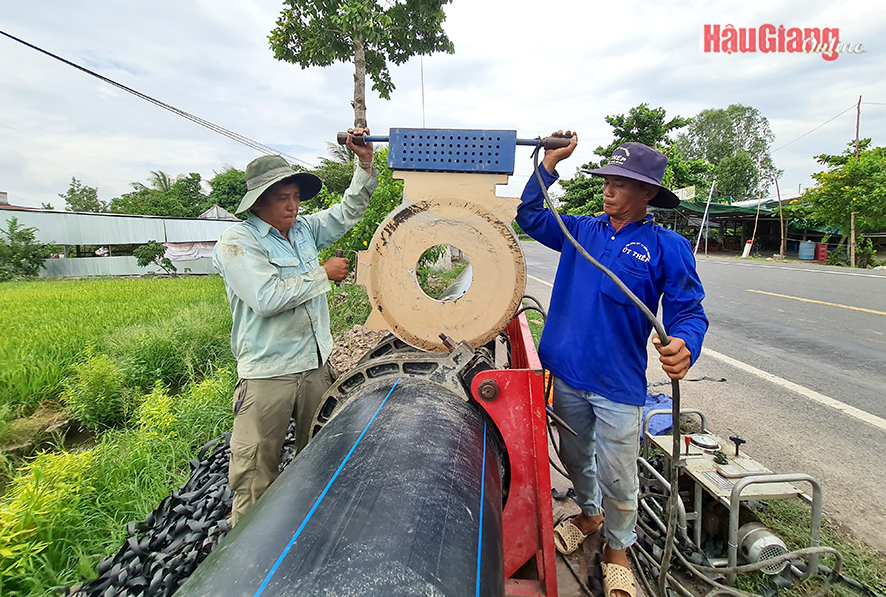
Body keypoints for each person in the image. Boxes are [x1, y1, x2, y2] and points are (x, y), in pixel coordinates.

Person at [516, 132, 708, 597]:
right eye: (606, 180)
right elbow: (530, 216)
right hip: (565, 372)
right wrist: (549, 164)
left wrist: (684, 341)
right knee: (575, 456)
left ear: (648, 194)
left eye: (621, 183)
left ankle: (618, 547)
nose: (608, 190)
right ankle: (588, 513)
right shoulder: (581, 230)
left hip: (618, 381)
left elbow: (689, 309)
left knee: (619, 472)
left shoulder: (667, 247)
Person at [213, 127, 377, 525]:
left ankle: (308, 535)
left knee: (318, 457)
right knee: (255, 472)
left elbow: (347, 211)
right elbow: (266, 298)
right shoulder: (238, 241)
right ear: (258, 202)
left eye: (296, 198)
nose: (292, 206)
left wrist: (365, 163)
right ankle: (247, 558)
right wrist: (323, 274)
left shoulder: (302, 230)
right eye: (282, 199)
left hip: (315, 366)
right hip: (269, 373)